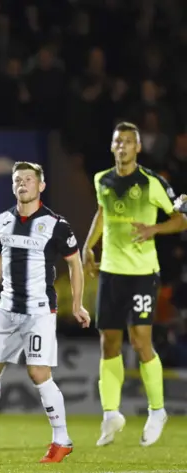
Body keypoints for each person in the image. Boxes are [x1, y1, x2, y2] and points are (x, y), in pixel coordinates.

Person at [0, 162, 91, 463]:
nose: (23, 184)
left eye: (29, 179)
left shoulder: (56, 224)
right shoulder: (1, 221)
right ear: (13, 186)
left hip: (38, 310)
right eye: (18, 180)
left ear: (41, 186)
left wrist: (77, 303)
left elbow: (75, 264)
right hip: (7, 307)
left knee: (38, 372)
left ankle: (62, 440)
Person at [82, 122, 187, 446]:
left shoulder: (152, 182)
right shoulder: (102, 180)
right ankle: (111, 415)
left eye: (129, 141)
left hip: (142, 272)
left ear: (138, 147)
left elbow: (181, 218)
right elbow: (102, 212)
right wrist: (89, 245)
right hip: (111, 272)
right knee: (108, 344)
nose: (123, 146)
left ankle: (157, 411)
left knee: (141, 342)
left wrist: (154, 230)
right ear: (113, 147)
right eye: (118, 141)